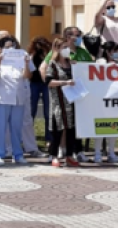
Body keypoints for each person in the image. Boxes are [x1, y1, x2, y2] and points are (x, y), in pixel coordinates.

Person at [0, 35, 33, 165]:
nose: (10, 49)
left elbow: (28, 76)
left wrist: (26, 64)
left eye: (12, 46)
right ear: (1, 48)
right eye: (7, 47)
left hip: (18, 99)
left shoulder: (22, 59)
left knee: (16, 128)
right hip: (1, 99)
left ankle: (18, 154)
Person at [45, 37, 80, 167]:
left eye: (67, 47)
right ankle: (54, 155)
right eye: (63, 47)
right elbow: (48, 82)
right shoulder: (53, 64)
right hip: (58, 102)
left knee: (71, 129)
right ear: (57, 49)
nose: (66, 50)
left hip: (71, 101)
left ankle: (69, 155)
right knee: (57, 129)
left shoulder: (71, 64)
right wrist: (65, 82)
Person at [24, 35, 52, 158]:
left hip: (45, 84)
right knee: (31, 112)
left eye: (42, 43)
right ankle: (29, 140)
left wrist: (46, 52)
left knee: (48, 112)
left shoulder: (49, 55)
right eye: (38, 43)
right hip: (34, 84)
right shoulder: (31, 55)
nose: (40, 46)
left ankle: (49, 139)